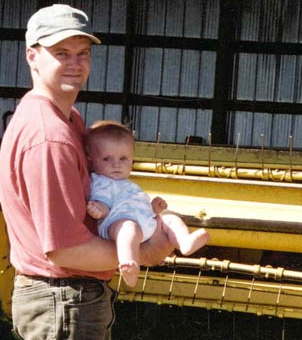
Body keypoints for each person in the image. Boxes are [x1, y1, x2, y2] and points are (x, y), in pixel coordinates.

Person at [0, 3, 173, 340]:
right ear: (32, 57)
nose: (74, 64)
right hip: (62, 298)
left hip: (79, 297)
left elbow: (86, 210)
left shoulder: (71, 120)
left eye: (82, 54)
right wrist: (147, 250)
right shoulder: (49, 135)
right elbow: (65, 244)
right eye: (60, 53)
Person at [85, 121, 210, 287]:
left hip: (145, 221)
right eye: (107, 159)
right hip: (116, 222)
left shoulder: (128, 183)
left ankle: (184, 242)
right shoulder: (102, 181)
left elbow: (137, 206)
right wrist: (100, 209)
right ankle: (128, 263)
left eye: (123, 158)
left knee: (170, 219)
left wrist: (154, 208)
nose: (116, 164)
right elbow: (103, 200)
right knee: (128, 229)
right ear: (91, 161)